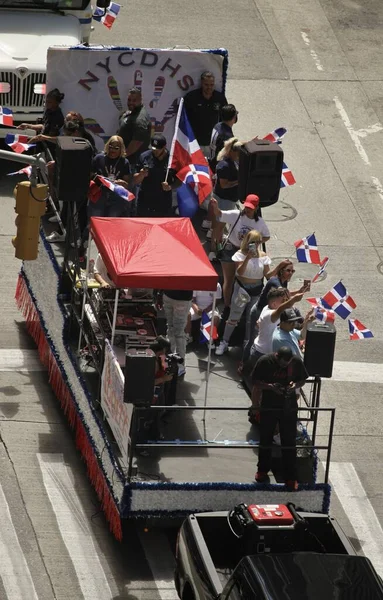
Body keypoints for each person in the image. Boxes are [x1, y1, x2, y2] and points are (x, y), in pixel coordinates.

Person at [252, 347, 309, 489]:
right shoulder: (265, 361)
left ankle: (291, 477)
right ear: (277, 356)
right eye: (283, 363)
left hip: (288, 408)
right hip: (269, 407)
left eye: (287, 363)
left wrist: (294, 385)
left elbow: (302, 379)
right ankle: (262, 470)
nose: (285, 366)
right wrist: (270, 387)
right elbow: (255, 381)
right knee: (265, 439)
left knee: (289, 442)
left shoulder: (295, 362)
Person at [242, 259, 307, 365]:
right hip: (259, 311)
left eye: (292, 271)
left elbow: (285, 295)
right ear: (281, 271)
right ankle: (244, 363)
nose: (290, 273)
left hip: (269, 314)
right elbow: (283, 303)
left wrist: (298, 291)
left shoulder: (283, 281)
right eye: (288, 271)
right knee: (251, 340)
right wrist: (294, 299)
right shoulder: (275, 283)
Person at [215, 230, 270, 356]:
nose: (255, 245)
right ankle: (224, 342)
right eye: (252, 242)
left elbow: (267, 274)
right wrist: (248, 258)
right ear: (247, 242)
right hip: (242, 289)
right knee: (234, 317)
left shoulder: (263, 256)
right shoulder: (240, 254)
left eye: (258, 242)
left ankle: (247, 344)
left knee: (252, 319)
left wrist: (279, 269)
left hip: (256, 290)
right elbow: (239, 272)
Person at [210, 194, 270, 308]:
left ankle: (240, 304)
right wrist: (215, 207)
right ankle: (227, 305)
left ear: (256, 208)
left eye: (251, 208)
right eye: (246, 207)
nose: (248, 210)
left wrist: (256, 241)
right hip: (231, 249)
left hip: (246, 252)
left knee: (242, 279)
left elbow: (267, 236)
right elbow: (219, 214)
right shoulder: (236, 215)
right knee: (229, 280)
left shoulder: (260, 223)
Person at [201, 104, 239, 233]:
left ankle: (207, 222)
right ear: (234, 117)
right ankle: (215, 231)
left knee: (214, 198)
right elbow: (228, 153)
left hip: (212, 165)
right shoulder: (227, 135)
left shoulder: (217, 126)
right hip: (220, 169)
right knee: (219, 202)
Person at [247, 288, 304, 369]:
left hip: (267, 353)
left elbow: (258, 323)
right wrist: (293, 300)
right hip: (261, 354)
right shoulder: (269, 314)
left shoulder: (268, 307)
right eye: (283, 301)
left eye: (286, 301)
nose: (285, 303)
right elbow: (281, 309)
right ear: (274, 304)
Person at [209, 137, 242, 262]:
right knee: (218, 226)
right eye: (239, 153)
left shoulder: (233, 161)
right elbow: (224, 185)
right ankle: (214, 250)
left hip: (229, 199)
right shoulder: (224, 166)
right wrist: (238, 182)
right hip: (224, 199)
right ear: (233, 152)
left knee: (220, 226)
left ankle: (218, 245)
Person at [88, 135, 132, 222]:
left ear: (121, 149)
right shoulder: (99, 158)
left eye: (116, 148)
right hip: (99, 195)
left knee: (112, 222)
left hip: (115, 197)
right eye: (111, 147)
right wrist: (98, 179)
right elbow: (90, 176)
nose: (112, 150)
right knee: (96, 221)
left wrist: (122, 183)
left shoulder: (124, 162)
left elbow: (127, 184)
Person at [183, 71, 228, 155]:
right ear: (201, 83)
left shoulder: (219, 98)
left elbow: (225, 118)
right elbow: (184, 119)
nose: (209, 87)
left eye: (211, 85)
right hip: (194, 143)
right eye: (206, 85)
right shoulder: (191, 98)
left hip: (212, 143)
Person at [134, 134, 177, 217]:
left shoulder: (172, 160)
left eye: (158, 149)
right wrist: (141, 174)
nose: (155, 151)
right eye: (153, 149)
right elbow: (135, 180)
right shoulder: (144, 157)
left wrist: (170, 187)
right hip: (145, 200)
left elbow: (179, 181)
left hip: (163, 201)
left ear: (164, 147)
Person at [18, 88, 65, 157]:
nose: (46, 104)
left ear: (56, 103)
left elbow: (51, 136)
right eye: (46, 101)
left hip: (49, 149)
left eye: (49, 102)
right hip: (41, 144)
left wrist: (35, 139)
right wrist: (28, 126)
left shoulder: (57, 117)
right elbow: (44, 126)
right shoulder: (49, 111)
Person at [160, 289, 193, 377]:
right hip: (168, 294)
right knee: (171, 329)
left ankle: (180, 365)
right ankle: (170, 358)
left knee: (178, 333)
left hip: (182, 297)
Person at [117, 87, 152, 169]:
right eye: (129, 100)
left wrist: (122, 156)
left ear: (140, 100)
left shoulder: (140, 118)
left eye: (134, 100)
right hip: (127, 161)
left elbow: (137, 142)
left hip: (133, 163)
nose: (131, 102)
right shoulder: (131, 113)